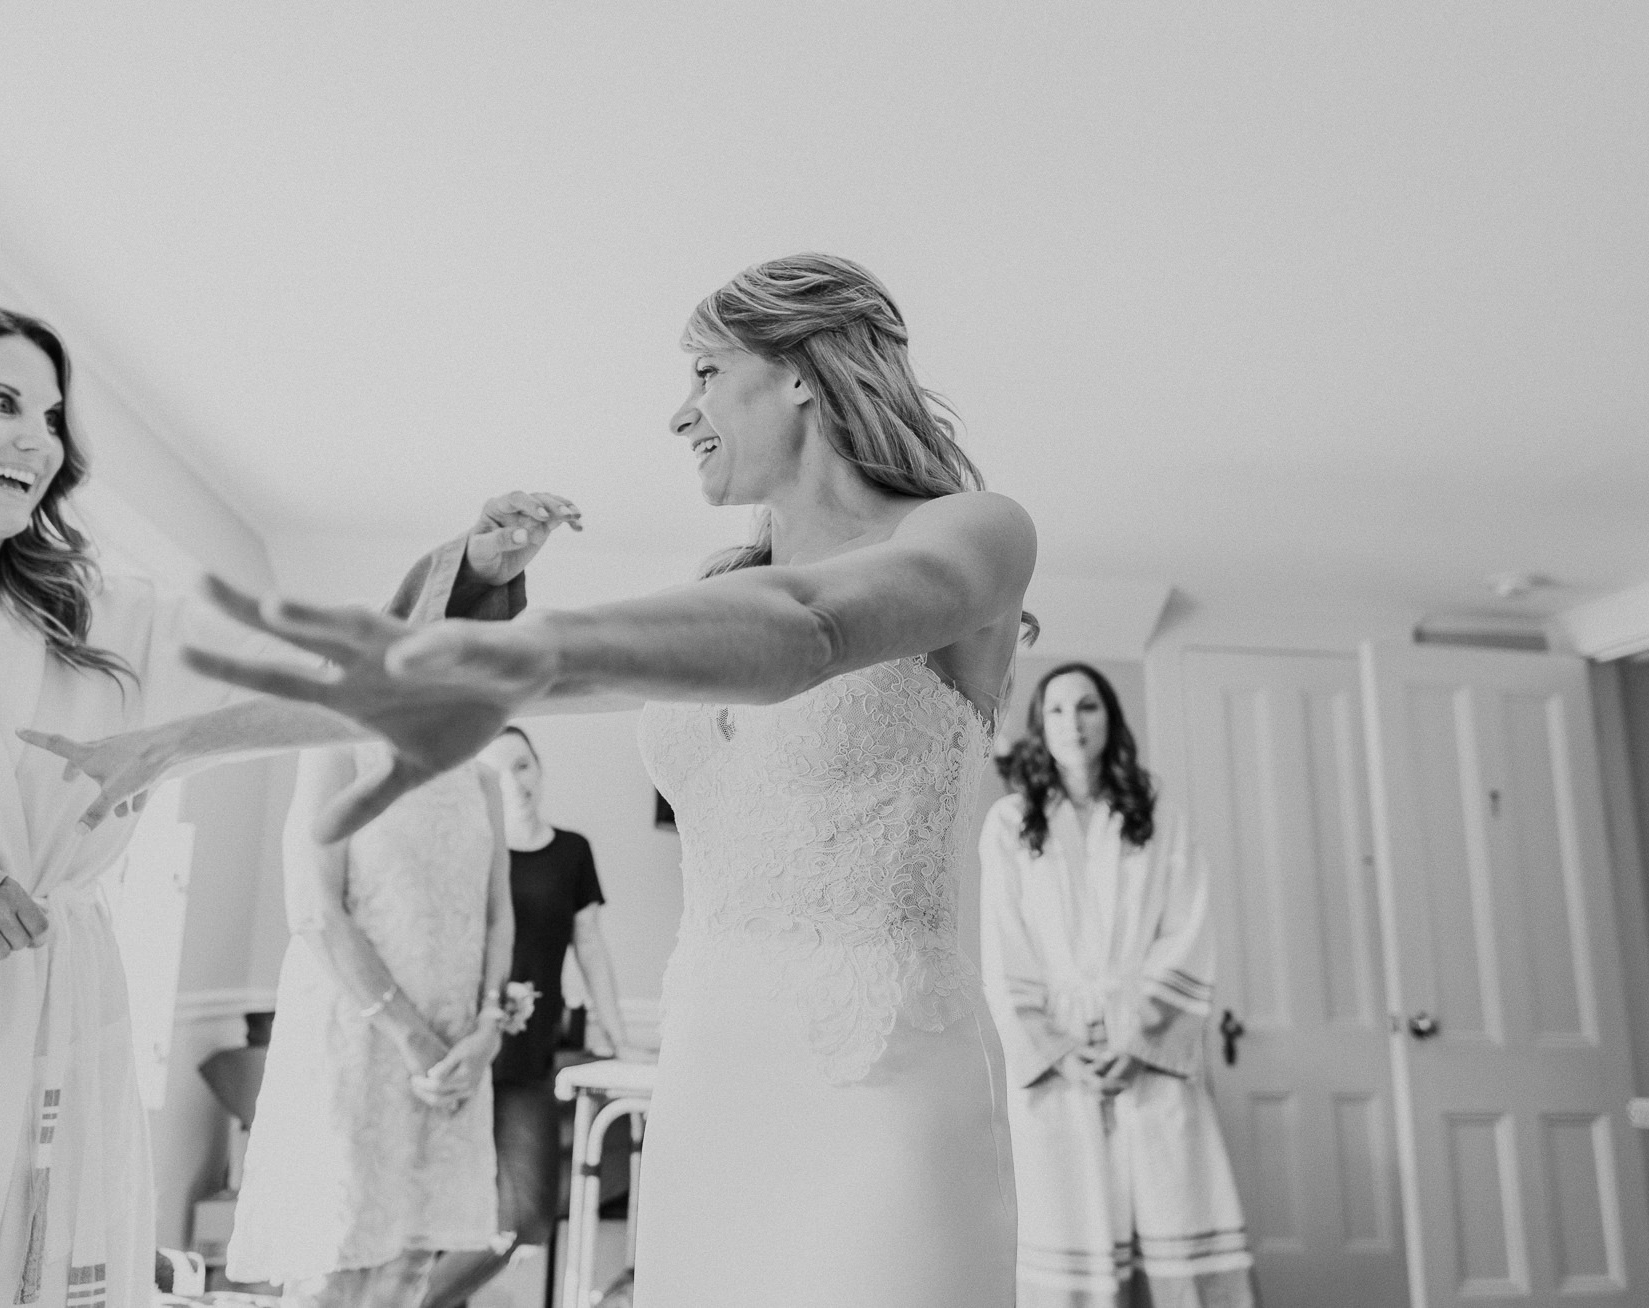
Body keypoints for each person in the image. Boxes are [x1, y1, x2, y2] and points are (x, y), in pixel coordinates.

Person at [112, 253, 1038, 1308]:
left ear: (797, 372)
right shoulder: (712, 592)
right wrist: (175, 743)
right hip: (713, 1069)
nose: (679, 413)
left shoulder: (976, 534)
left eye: (703, 371)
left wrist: (541, 641)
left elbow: (814, 633)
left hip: (881, 1081)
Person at [0, 288, 563, 1308]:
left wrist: (469, 584)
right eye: (1, 404)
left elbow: (319, 668)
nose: (40, 442)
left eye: (50, 417)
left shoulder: (96, 618)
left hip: (49, 1028)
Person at [979, 663, 1255, 1308]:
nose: (1073, 723)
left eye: (1088, 707)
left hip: (1147, 1046)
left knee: (1177, 1211)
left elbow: (1189, 928)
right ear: (1038, 726)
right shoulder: (1011, 824)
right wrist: (1055, 1049)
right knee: (1068, 1229)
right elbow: (1003, 947)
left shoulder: (1157, 814)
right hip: (1058, 1057)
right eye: (1056, 710)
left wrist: (1139, 1040)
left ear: (1111, 718)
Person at [224, 741, 512, 1307]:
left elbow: (499, 911)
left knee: (409, 1272)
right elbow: (314, 908)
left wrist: (488, 1027)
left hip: (455, 1056)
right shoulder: (339, 751)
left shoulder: (480, 777)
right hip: (357, 1040)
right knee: (335, 1267)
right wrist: (413, 1039)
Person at [422, 725, 648, 1308]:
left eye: (523, 766)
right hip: (462, 1054)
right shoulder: (469, 846)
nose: (514, 782)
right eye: (498, 771)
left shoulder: (572, 851)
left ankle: (412, 1303)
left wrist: (620, 1042)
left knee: (525, 1216)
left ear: (540, 769)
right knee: (443, 1211)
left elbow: (590, 948)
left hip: (528, 1063)